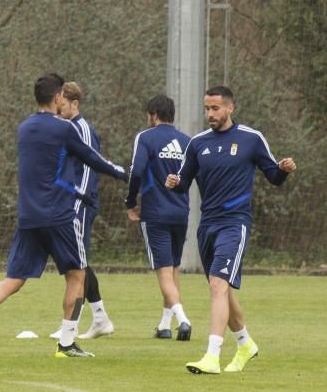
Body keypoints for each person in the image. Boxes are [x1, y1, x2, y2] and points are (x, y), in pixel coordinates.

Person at [0, 73, 127, 359]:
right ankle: (66, 342)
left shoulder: (24, 128)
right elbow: (93, 160)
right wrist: (126, 175)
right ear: (58, 97)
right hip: (59, 216)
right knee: (77, 275)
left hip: (28, 215)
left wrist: (76, 191)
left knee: (14, 278)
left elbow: (41, 174)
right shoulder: (64, 129)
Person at [165, 86, 296, 374]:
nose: (210, 114)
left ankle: (212, 356)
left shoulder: (251, 139)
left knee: (217, 285)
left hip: (235, 223)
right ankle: (246, 344)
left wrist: (283, 169)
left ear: (229, 109)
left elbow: (273, 176)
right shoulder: (197, 143)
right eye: (207, 109)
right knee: (222, 290)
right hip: (207, 225)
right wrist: (174, 182)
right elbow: (185, 182)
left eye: (215, 108)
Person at [49, 81, 115, 340]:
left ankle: (74, 325)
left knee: (76, 265)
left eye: (62, 106)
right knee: (77, 263)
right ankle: (99, 317)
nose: (58, 110)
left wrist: (77, 204)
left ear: (74, 105)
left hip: (81, 205)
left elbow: (88, 171)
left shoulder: (83, 130)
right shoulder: (67, 129)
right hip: (68, 204)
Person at [125, 94, 192, 340]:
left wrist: (131, 202)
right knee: (174, 269)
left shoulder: (145, 137)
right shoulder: (186, 141)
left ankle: (183, 320)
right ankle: (165, 325)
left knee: (164, 271)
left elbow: (137, 171)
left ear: (153, 114)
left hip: (155, 213)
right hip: (181, 213)